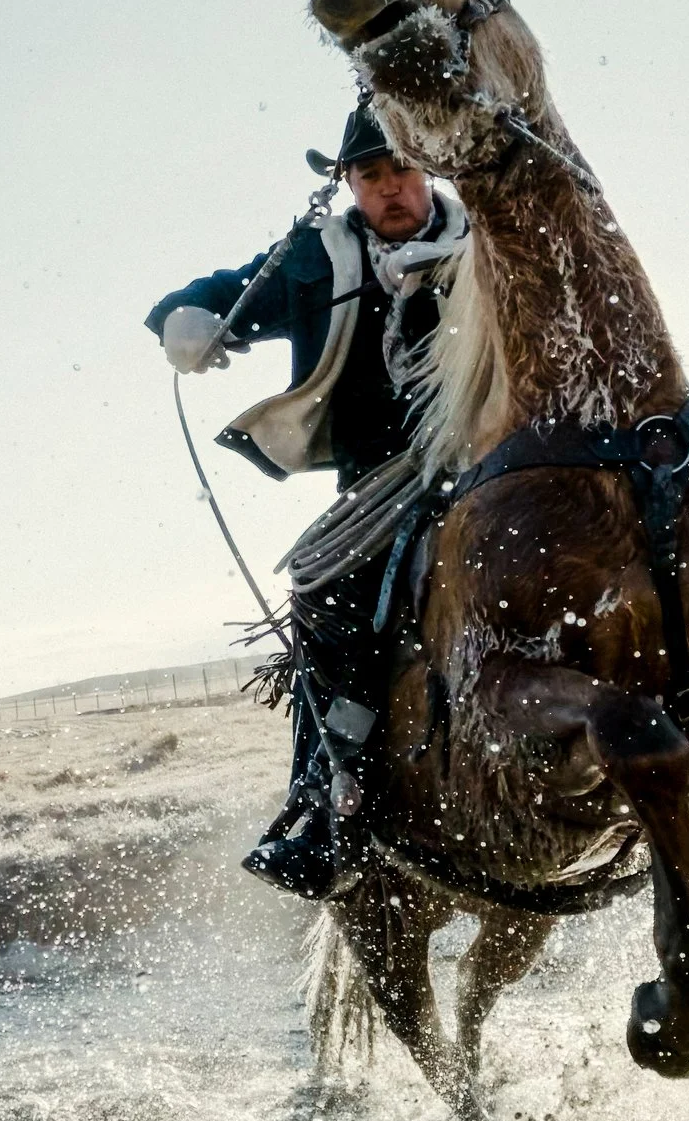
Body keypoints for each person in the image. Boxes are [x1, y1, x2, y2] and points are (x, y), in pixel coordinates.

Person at [147, 105, 466, 899]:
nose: (390, 190)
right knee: (321, 586)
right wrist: (185, 322)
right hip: (378, 483)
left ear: (425, 168)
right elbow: (220, 293)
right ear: (349, 185)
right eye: (371, 177)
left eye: (400, 170)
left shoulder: (486, 243)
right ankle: (327, 800)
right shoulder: (312, 263)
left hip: (494, 456)